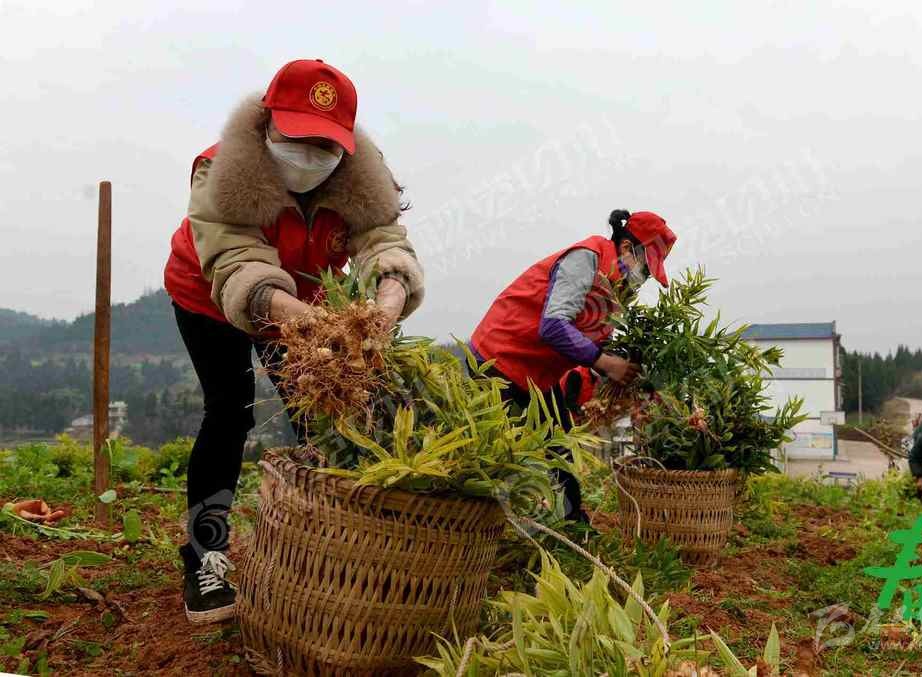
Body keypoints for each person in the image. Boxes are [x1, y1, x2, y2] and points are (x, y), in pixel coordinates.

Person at [163, 59, 424, 624]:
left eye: (323, 145)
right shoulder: (219, 169)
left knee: (322, 414)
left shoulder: (361, 176)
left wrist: (387, 299)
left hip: (306, 300)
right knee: (230, 412)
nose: (308, 155)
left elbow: (383, 240)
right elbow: (236, 261)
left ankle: (326, 548)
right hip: (212, 296)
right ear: (267, 124)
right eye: (296, 138)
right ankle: (206, 557)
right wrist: (313, 324)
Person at [469, 209, 677, 522]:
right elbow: (554, 326)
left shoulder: (614, 287)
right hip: (499, 359)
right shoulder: (586, 259)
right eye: (646, 268)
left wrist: (623, 365)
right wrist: (606, 363)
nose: (644, 278)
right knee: (496, 455)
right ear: (625, 248)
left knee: (560, 448)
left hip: (539, 375)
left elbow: (591, 338)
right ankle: (475, 527)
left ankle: (572, 526)